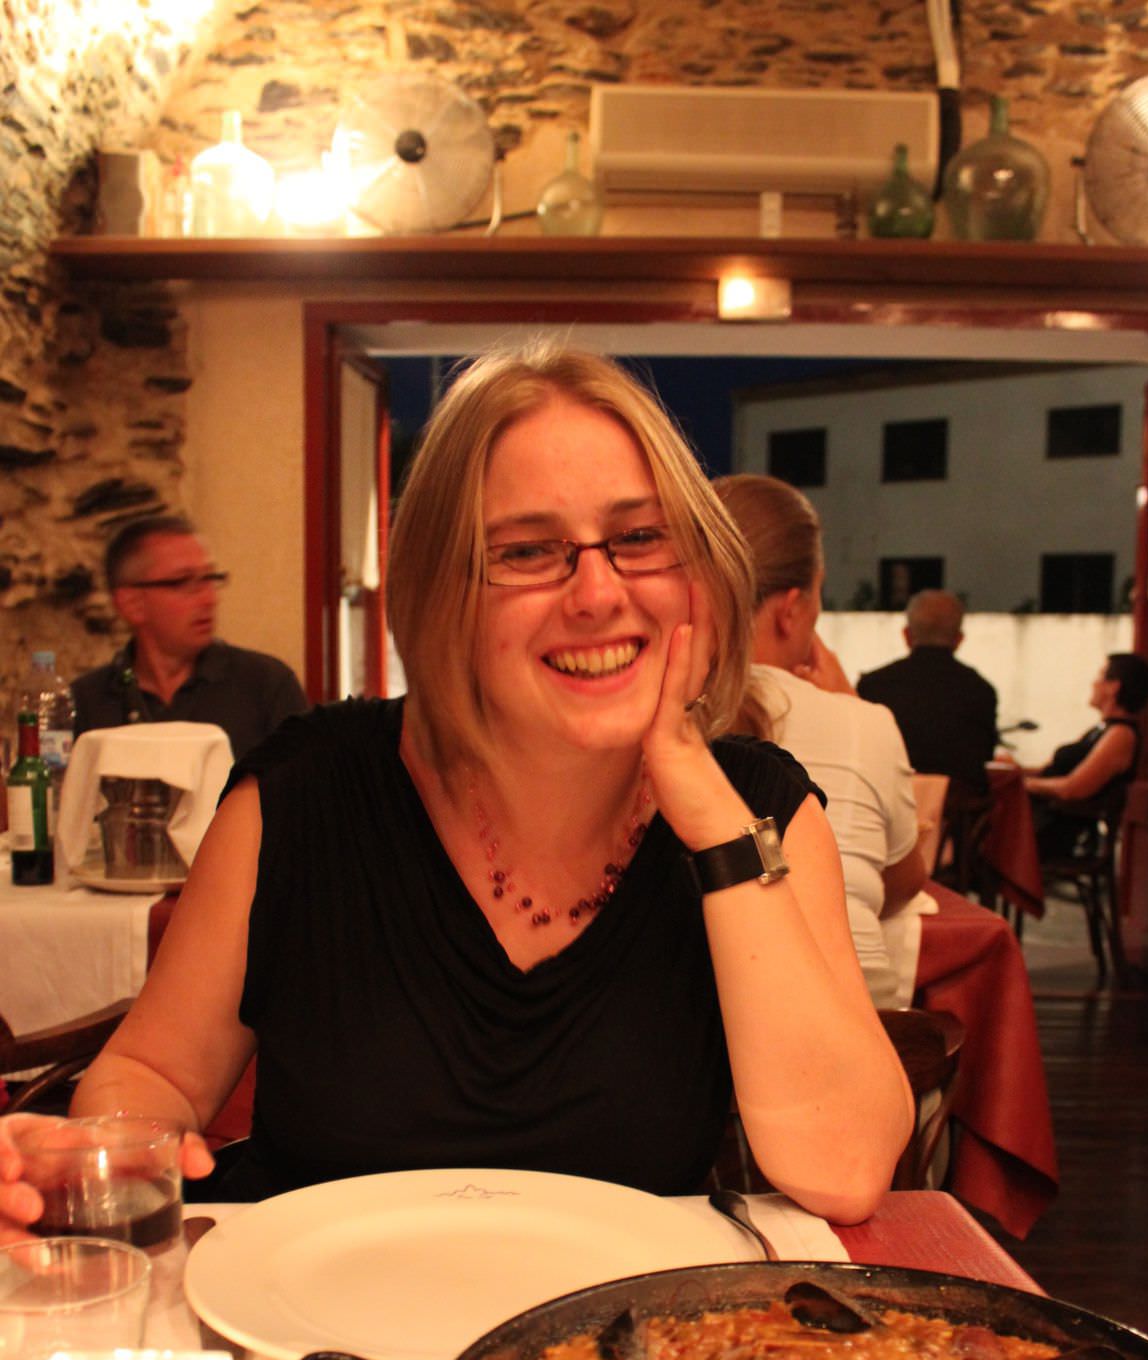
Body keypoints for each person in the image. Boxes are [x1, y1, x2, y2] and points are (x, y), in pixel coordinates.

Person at [0, 343, 911, 1233]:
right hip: (306, 1345)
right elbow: (156, 1077)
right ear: (442, 591)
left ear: (701, 577)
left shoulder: (755, 812)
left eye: (640, 539)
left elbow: (845, 1170)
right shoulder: (302, 792)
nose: (596, 592)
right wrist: (102, 1159)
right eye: (526, 551)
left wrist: (701, 802)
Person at [714, 473, 925, 1010]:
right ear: (791, 609)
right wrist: (850, 708)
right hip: (861, 1028)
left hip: (714, 1037)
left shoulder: (666, 716)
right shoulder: (861, 724)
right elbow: (901, 883)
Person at [70, 515, 308, 760]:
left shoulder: (266, 686)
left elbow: (309, 793)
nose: (209, 599)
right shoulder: (86, 701)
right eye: (185, 582)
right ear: (132, 604)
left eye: (210, 579)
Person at [856, 589, 998, 794]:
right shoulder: (981, 691)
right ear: (959, 639)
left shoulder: (873, 686)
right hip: (958, 818)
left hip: (885, 807)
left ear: (906, 635)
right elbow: (985, 755)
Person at [1022, 651, 1148, 859]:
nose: (1093, 683)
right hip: (1041, 818)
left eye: (1100, 676)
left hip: (1054, 826)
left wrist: (1023, 785)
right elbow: (1048, 770)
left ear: (1114, 686)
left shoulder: (1121, 734)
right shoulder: (1101, 730)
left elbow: (1073, 788)